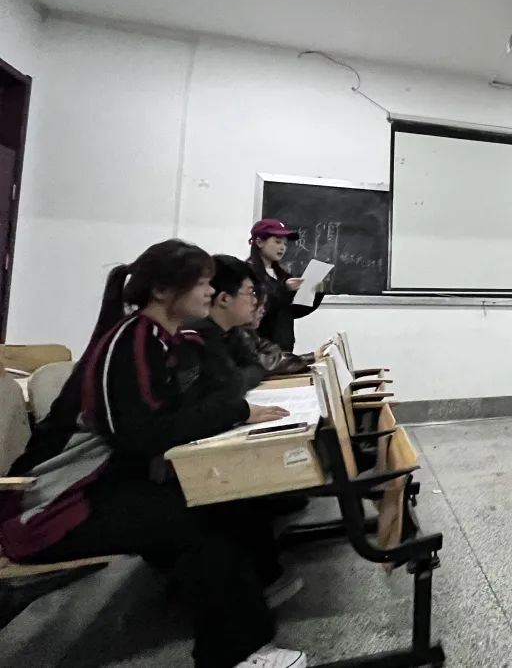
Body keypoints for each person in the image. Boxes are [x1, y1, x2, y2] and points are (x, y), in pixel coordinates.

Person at [2, 240, 306, 668]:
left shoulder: (162, 339)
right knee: (200, 518)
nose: (209, 291)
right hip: (54, 504)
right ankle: (235, 654)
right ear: (163, 290)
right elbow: (142, 435)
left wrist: (227, 409)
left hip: (106, 485)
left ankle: (235, 601)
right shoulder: (130, 342)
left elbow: (186, 411)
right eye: (200, 283)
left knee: (222, 501)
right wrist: (236, 411)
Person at [177, 255, 267, 401]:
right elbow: (227, 387)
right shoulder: (196, 334)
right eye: (251, 293)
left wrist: (237, 380)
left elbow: (256, 368)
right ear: (224, 298)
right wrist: (237, 381)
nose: (255, 302)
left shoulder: (231, 331)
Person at [247, 219, 323, 353]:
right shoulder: (247, 273)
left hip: (285, 349)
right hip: (259, 349)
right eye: (277, 242)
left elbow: (292, 311)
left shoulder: (283, 275)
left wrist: (315, 292)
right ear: (259, 242)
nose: (282, 247)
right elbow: (259, 309)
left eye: (285, 243)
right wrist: (284, 290)